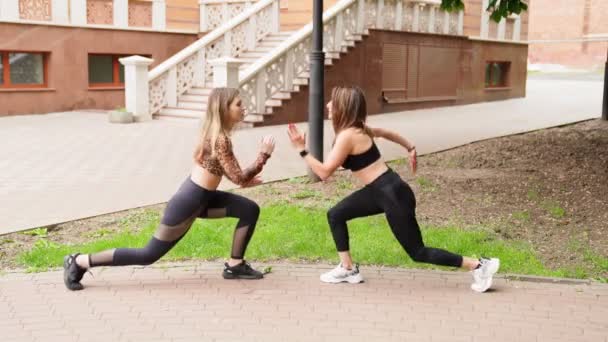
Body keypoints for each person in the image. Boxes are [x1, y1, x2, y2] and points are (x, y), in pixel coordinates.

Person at [287, 85, 499, 292]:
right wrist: (409, 146)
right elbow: (386, 133)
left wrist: (301, 149)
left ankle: (480, 266)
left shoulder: (348, 135)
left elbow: (324, 173)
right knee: (336, 214)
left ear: (343, 106)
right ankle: (348, 268)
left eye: (334, 100)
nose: (328, 104)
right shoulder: (358, 129)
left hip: (391, 194)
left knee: (417, 252)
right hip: (381, 190)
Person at [63, 87, 275, 291]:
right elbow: (237, 177)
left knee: (249, 209)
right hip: (190, 202)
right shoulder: (220, 139)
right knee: (147, 255)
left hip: (204, 198)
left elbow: (230, 173)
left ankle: (235, 265)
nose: (243, 107)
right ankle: (79, 260)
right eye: (238, 104)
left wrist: (246, 179)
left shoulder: (218, 134)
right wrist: (263, 156)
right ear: (224, 108)